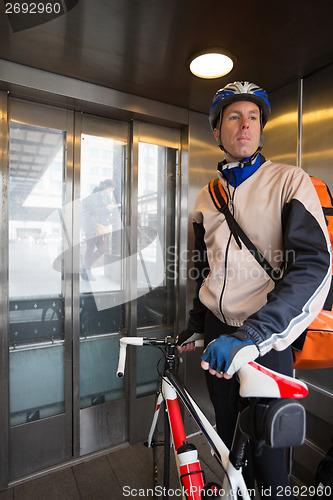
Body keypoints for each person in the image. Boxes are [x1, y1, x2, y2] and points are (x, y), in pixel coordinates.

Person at [177, 81, 332, 499]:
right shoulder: (205, 199)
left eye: (253, 118)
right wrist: (196, 324)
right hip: (216, 333)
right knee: (228, 438)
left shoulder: (289, 181)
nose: (245, 125)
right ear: (217, 131)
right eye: (234, 116)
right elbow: (202, 269)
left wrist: (257, 334)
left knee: (268, 457)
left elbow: (315, 266)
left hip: (266, 340)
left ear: (261, 128)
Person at [81, 179, 115, 281]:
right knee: (90, 248)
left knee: (103, 248)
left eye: (111, 190)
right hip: (92, 225)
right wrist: (107, 208)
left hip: (102, 226)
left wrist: (110, 209)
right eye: (109, 189)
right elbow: (93, 210)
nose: (110, 192)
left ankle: (85, 267)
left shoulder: (106, 197)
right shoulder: (96, 195)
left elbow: (106, 210)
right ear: (105, 186)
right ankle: (87, 271)